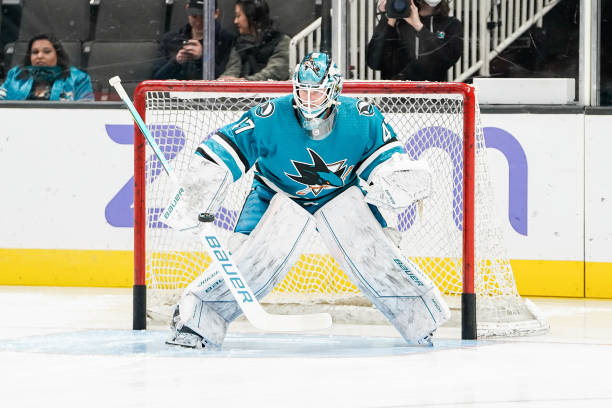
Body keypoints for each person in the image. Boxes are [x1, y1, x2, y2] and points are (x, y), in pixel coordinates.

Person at [165, 52, 450, 350]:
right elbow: (222, 148)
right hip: (274, 192)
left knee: (379, 253)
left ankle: (421, 320)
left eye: (317, 91)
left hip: (341, 195)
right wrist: (199, 189)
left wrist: (398, 179)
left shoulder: (362, 118)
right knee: (244, 261)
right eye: (303, 90)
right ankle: (194, 321)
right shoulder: (270, 116)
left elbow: (388, 161)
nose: (308, 99)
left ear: (335, 90)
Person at [366, 0, 462, 81]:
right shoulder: (398, 24)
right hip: (394, 98)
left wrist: (419, 27)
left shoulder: (451, 24)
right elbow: (374, 62)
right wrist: (390, 18)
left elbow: (447, 59)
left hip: (434, 97)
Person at [153, 0, 234, 80]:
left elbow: (226, 78)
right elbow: (155, 78)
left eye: (204, 17)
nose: (198, 23)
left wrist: (201, 58)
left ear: (216, 13)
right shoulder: (170, 39)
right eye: (194, 16)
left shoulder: (226, 41)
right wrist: (176, 61)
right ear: (187, 9)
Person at [0, 33, 93, 101]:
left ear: (57, 55)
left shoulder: (79, 78)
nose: (39, 56)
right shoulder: (15, 74)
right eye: (35, 52)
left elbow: (86, 113)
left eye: (47, 52)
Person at [218, 0, 290, 81]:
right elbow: (232, 70)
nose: (235, 21)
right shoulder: (240, 44)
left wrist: (244, 81)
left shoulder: (281, 41)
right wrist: (224, 81)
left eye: (238, 16)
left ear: (251, 17)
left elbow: (275, 73)